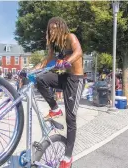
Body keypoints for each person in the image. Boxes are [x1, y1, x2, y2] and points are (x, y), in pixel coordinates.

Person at [33, 17, 84, 168]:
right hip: (64, 77)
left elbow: (78, 52)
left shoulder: (70, 37)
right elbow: (47, 59)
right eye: (50, 29)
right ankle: (55, 109)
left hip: (76, 81)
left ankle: (67, 157)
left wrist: (68, 61)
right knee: (40, 79)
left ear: (62, 28)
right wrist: (31, 71)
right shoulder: (54, 44)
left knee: (71, 119)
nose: (52, 31)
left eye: (55, 28)